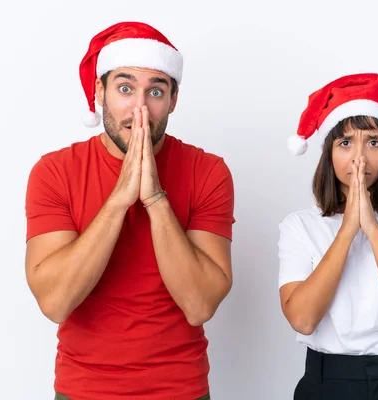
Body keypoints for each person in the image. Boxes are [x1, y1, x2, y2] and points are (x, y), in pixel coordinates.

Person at [24, 21, 235, 400]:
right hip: (82, 390)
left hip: (180, 390)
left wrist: (155, 199)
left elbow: (200, 305)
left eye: (155, 90)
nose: (140, 108)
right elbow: (55, 303)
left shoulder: (207, 171)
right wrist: (120, 198)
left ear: (173, 100)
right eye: (124, 88)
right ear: (100, 92)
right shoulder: (54, 171)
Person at [279, 73, 378, 399]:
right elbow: (303, 320)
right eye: (345, 143)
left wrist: (372, 229)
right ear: (329, 154)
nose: (359, 158)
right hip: (326, 382)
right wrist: (348, 229)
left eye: (374, 142)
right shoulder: (298, 226)